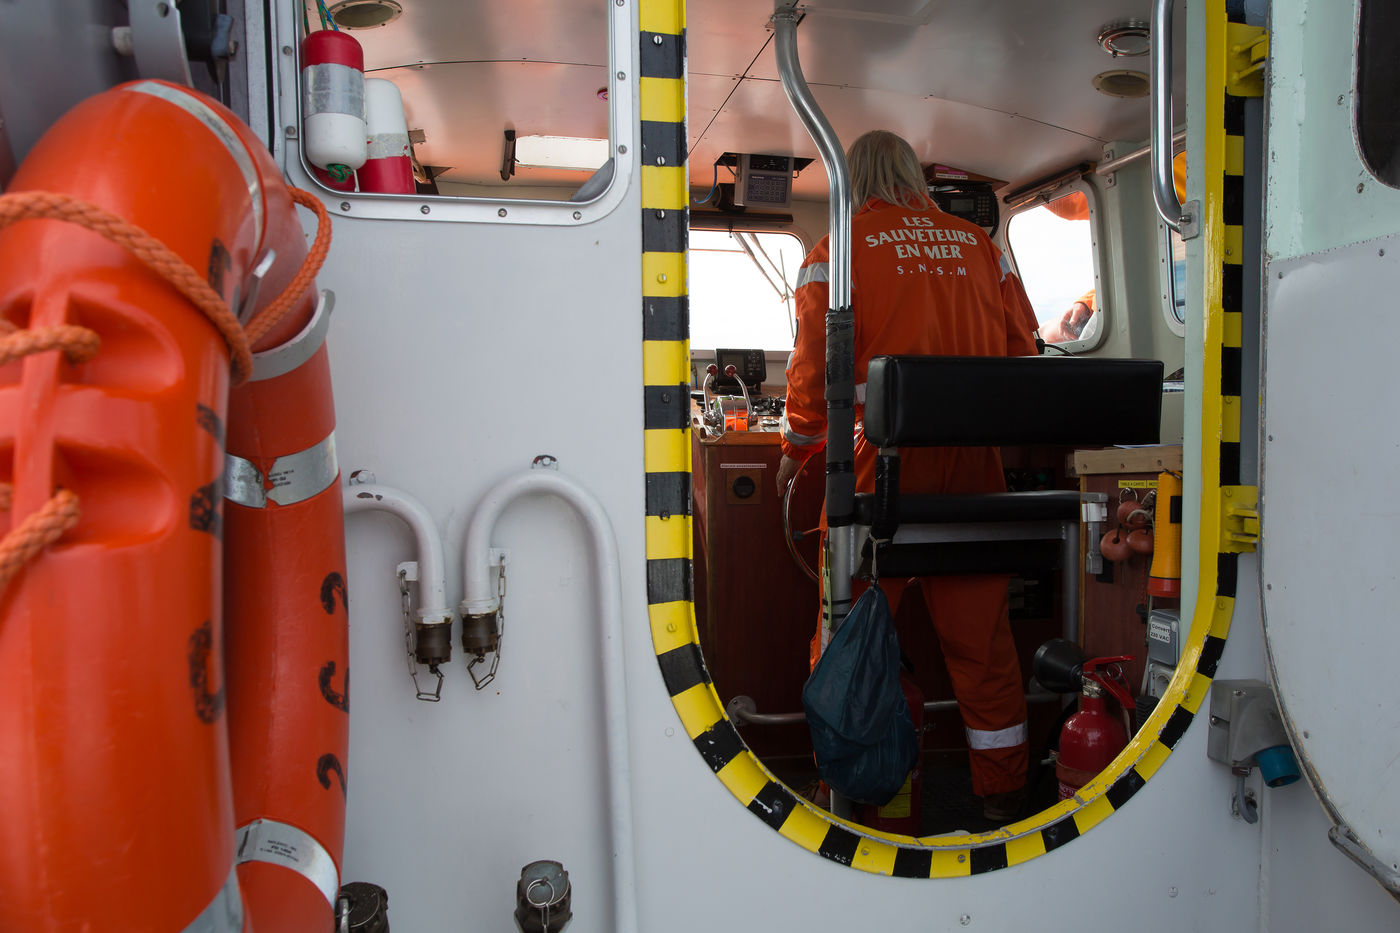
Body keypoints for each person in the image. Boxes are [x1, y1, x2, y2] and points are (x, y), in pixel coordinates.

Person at [774, 130, 1037, 821]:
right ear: (914, 179)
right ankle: (1003, 795)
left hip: (876, 470)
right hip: (973, 468)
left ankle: (839, 791)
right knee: (982, 645)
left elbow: (813, 371)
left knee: (847, 636)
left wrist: (796, 447)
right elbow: (1023, 353)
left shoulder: (836, 251)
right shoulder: (982, 245)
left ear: (852, 181)